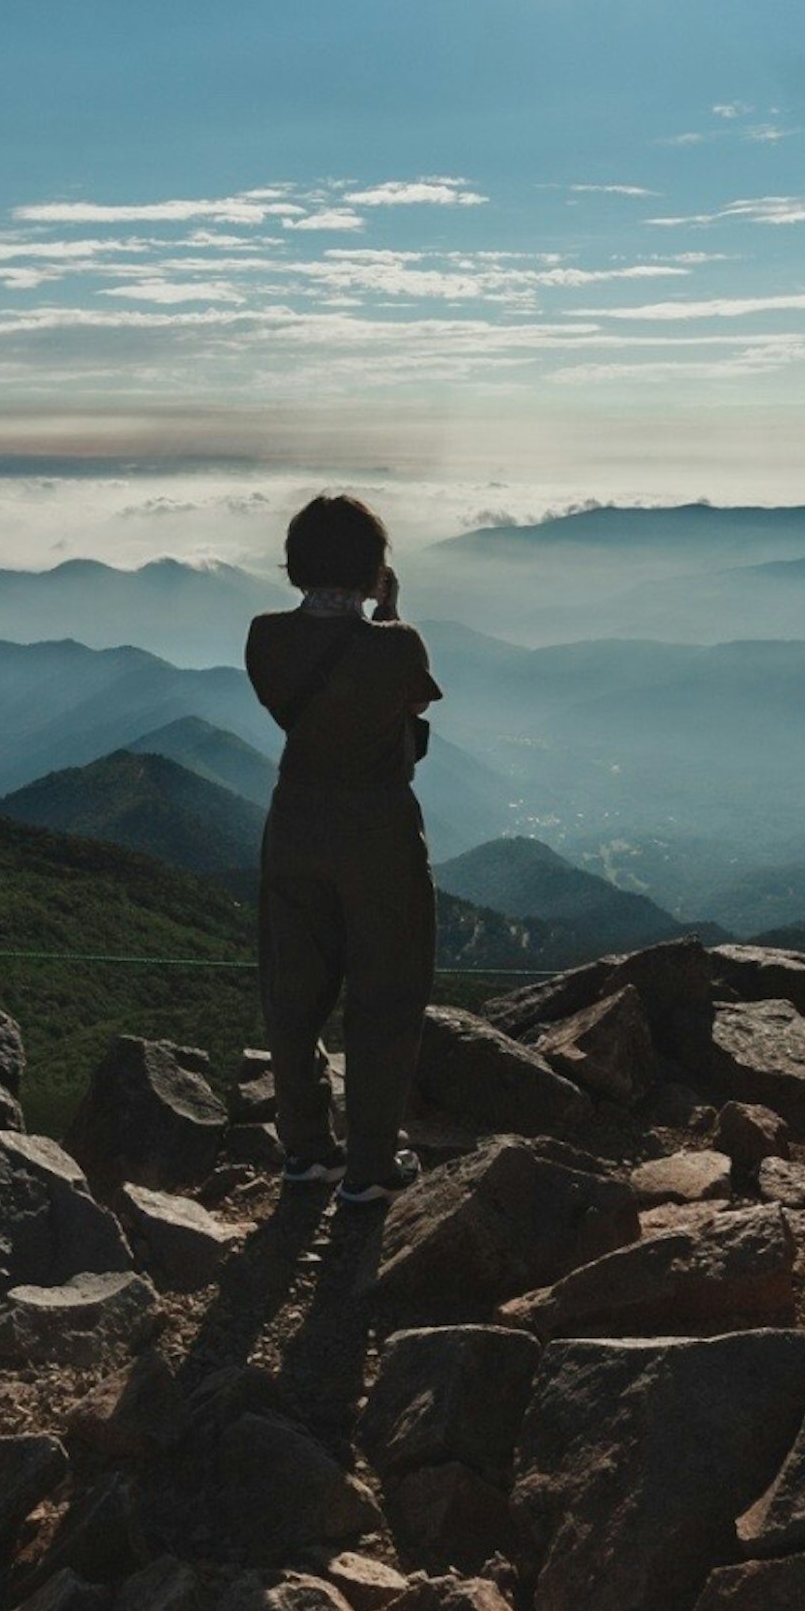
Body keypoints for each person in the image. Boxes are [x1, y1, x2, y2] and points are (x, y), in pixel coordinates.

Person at [245, 492, 444, 1204]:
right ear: (374, 568)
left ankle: (304, 1152)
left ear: (295, 563)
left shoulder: (263, 636)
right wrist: (387, 611)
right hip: (378, 829)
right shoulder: (397, 643)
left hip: (294, 820)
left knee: (293, 994)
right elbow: (411, 702)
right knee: (385, 995)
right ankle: (370, 1167)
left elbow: (301, 697)